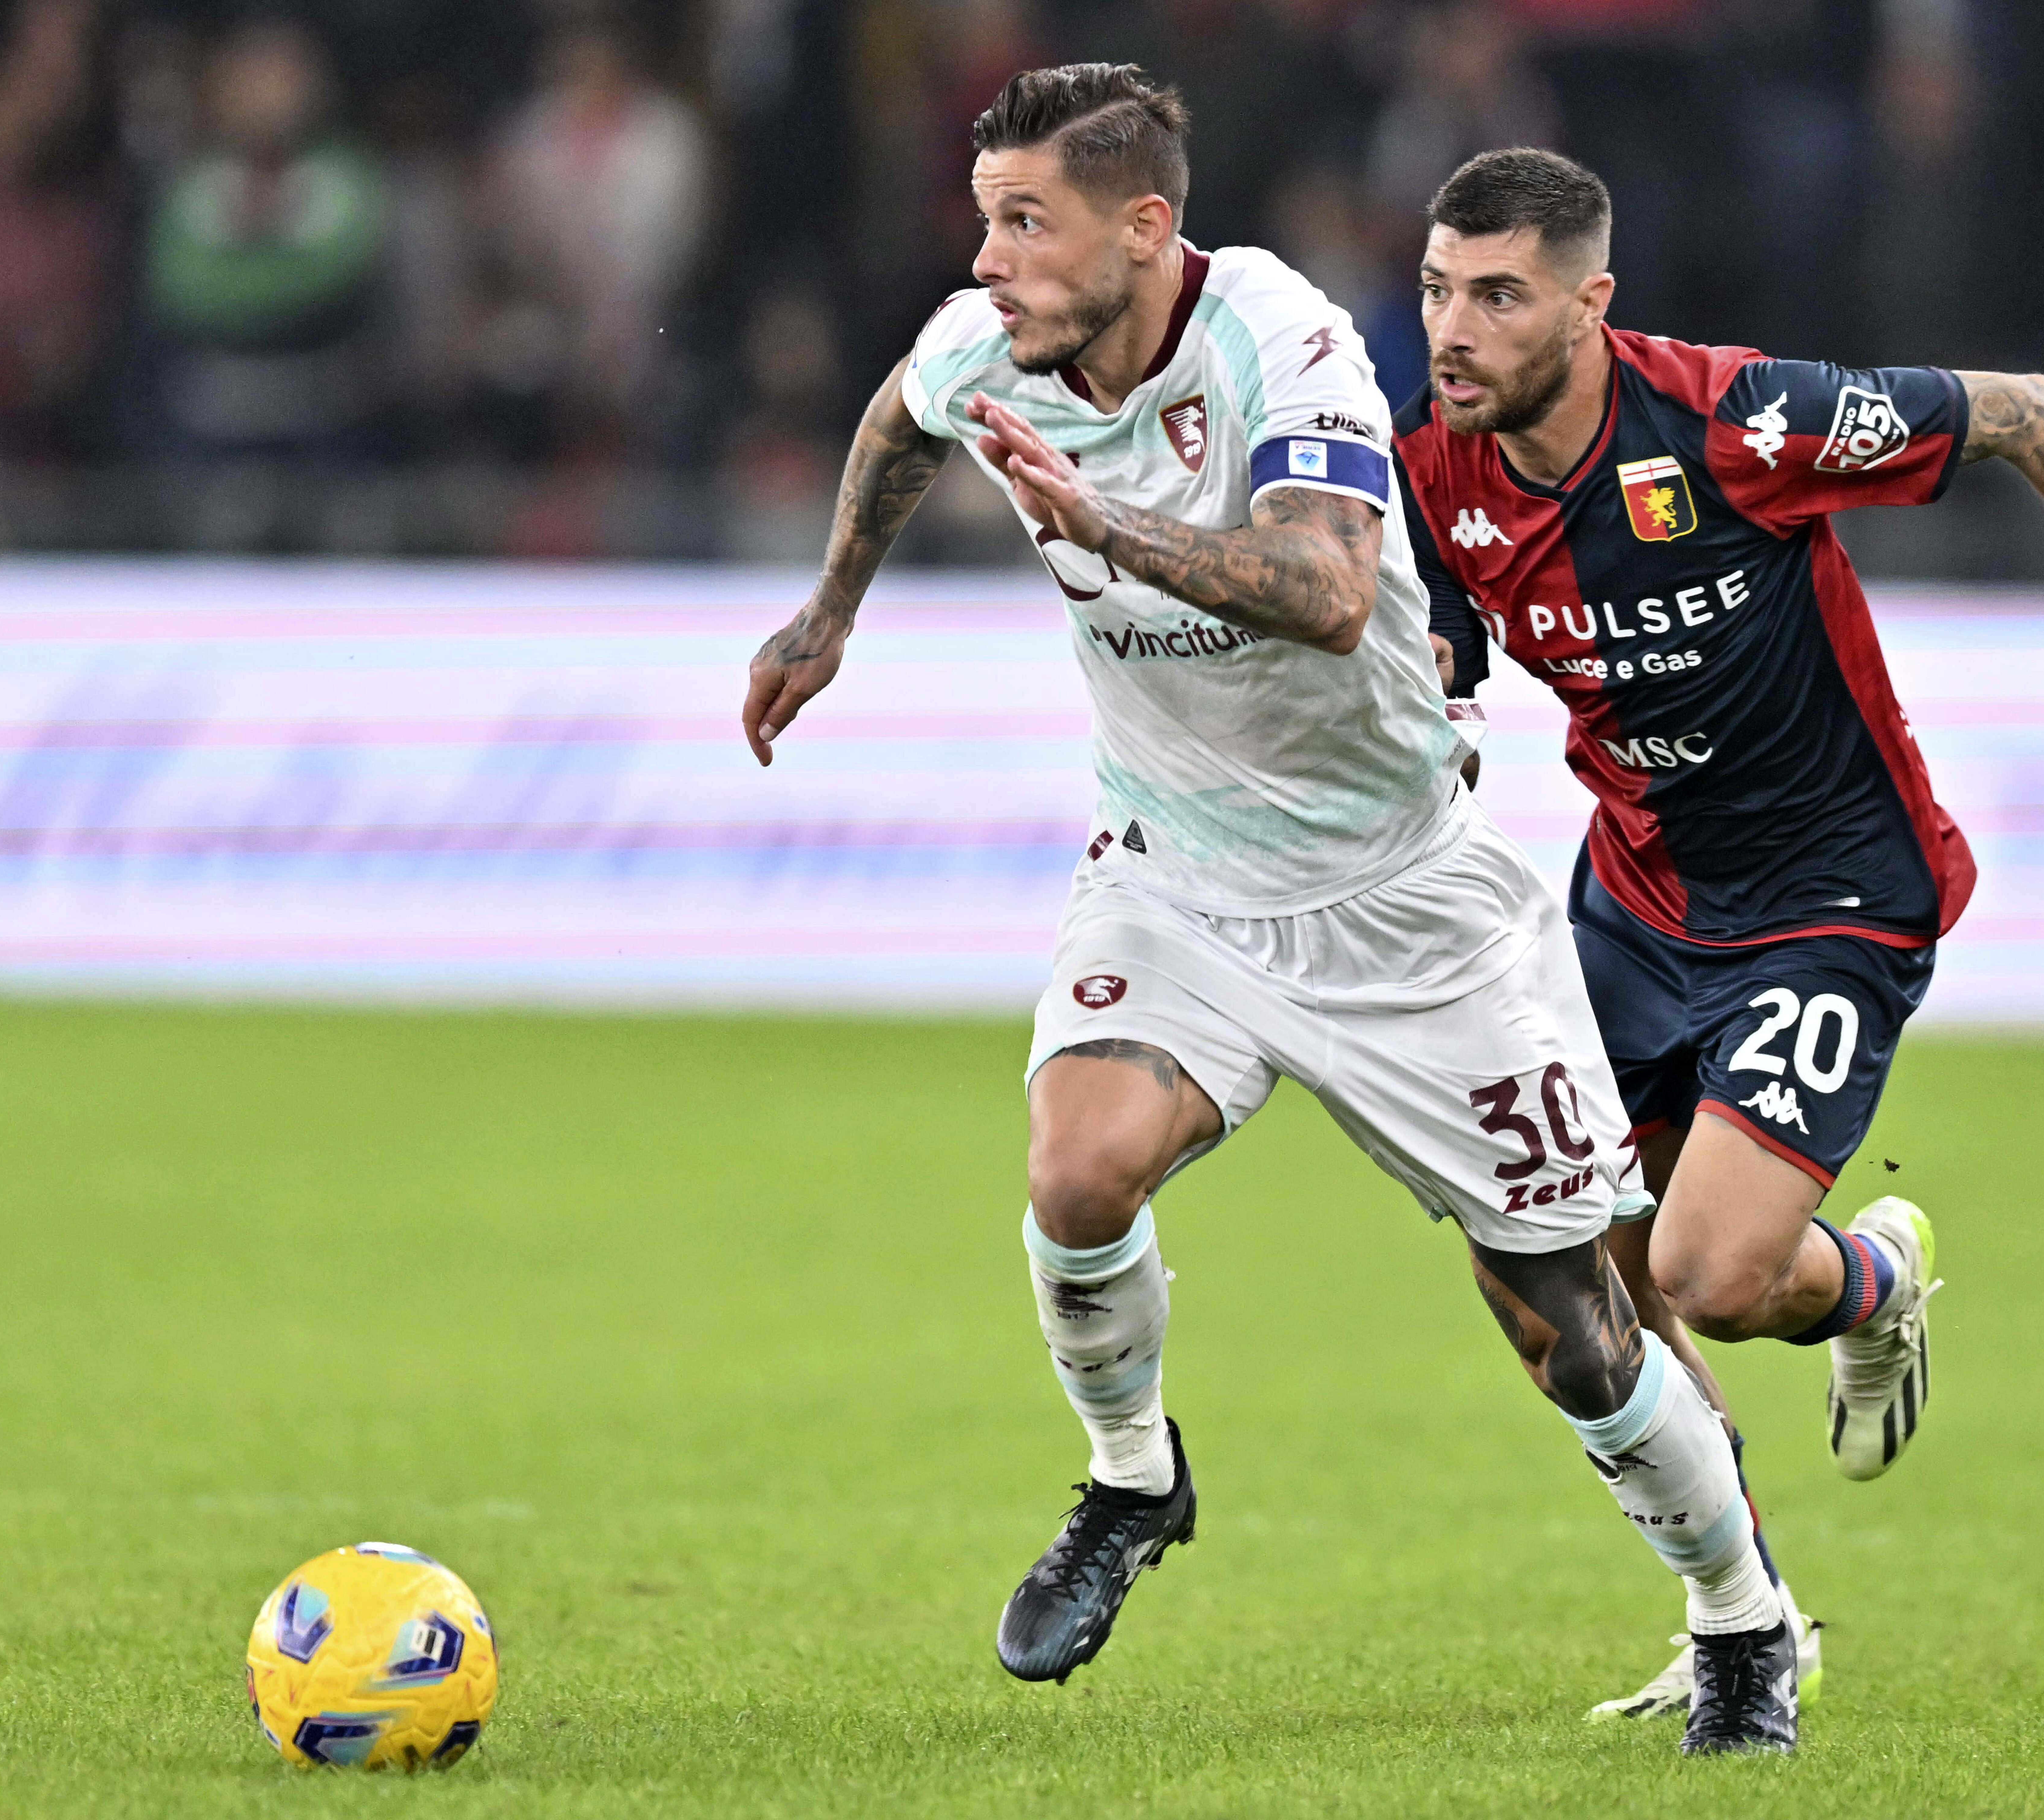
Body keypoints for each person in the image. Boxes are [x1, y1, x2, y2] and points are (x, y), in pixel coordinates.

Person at [742, 67, 1802, 1754]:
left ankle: (1743, 1623)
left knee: (1581, 1341)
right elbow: (897, 417)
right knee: (1076, 1169)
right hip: (1176, 871)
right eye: (983, 217)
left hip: (1405, 905)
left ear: (1146, 230)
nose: (990, 258)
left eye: (1027, 221)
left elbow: (1318, 591)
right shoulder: (985, 339)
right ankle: (1131, 1483)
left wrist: (1107, 524)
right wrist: (826, 618)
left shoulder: (1279, 342)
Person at [1390, 148, 2044, 1716]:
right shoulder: (1432, 476)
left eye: (1497, 295)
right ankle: (1740, 1619)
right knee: (1557, 1277)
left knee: (1707, 1273)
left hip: (1830, 904)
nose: (1453, 326)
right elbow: (1437, 665)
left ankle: (1865, 1286)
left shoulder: (1735, 422)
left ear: (1589, 306)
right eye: (1439, 288)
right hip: (1634, 902)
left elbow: (2030, 412)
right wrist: (1424, 728)